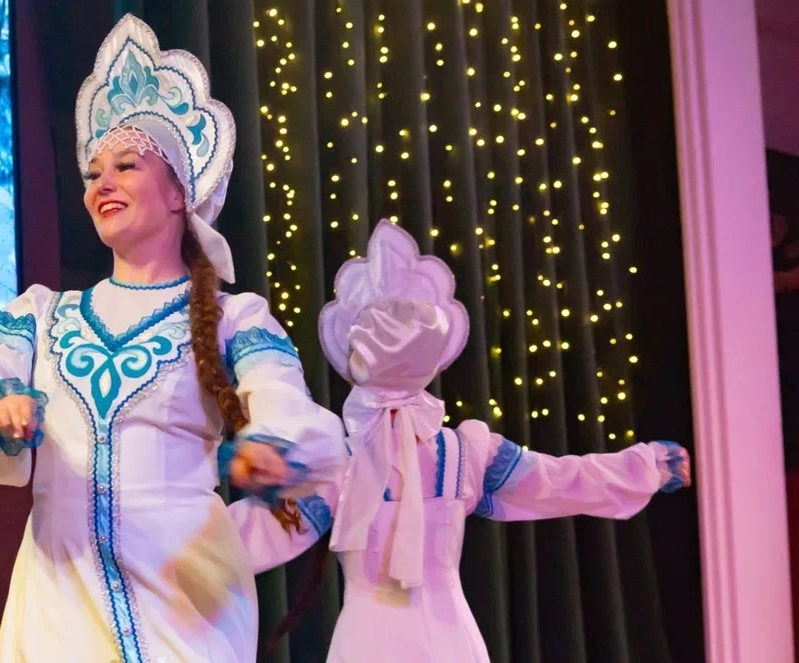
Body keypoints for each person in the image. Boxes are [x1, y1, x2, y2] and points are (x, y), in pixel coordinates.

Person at [0, 14, 346, 663]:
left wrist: (273, 446)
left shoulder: (233, 318)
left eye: (125, 165)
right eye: (93, 172)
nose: (102, 184)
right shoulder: (42, 315)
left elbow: (282, 400)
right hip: (57, 607)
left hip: (181, 605)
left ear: (179, 192)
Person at [258, 220, 691, 662]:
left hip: (372, 644)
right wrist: (648, 466)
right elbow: (563, 480)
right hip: (447, 641)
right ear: (432, 363)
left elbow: (262, 533)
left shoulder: (339, 461)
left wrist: (208, 533)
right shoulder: (461, 455)